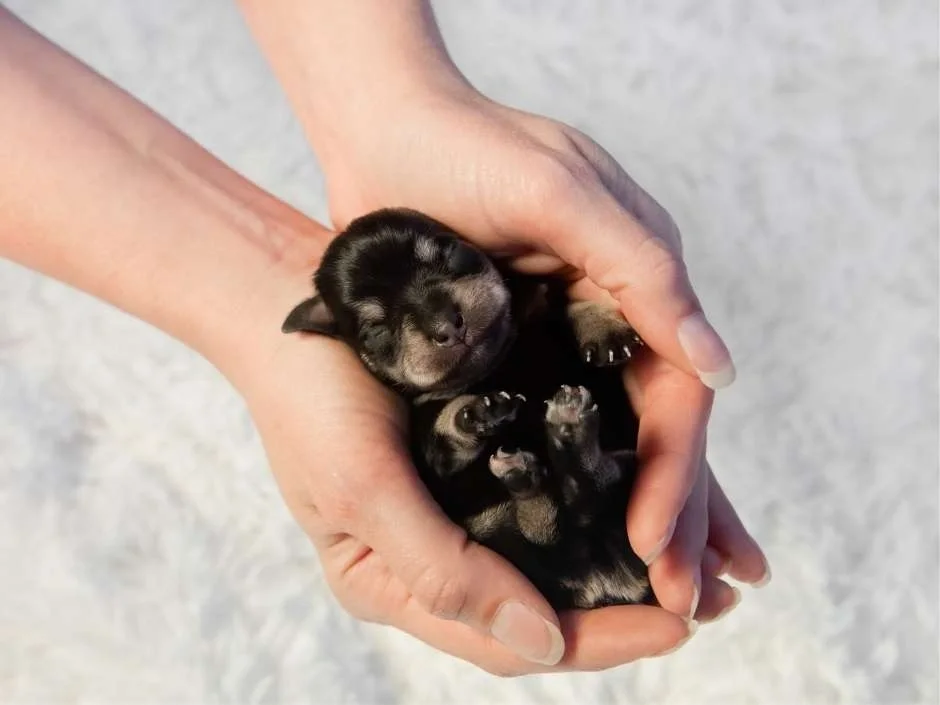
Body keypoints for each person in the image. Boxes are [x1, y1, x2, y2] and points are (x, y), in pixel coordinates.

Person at [0, 2, 769, 675]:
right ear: (338, 337)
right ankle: (543, 476)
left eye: (450, 265)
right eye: (382, 325)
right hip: (541, 514)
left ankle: (563, 471)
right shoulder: (412, 395)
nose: (442, 321)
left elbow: (586, 326)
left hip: (594, 492)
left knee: (616, 438)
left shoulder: (530, 295)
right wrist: (247, 300)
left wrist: (393, 104)